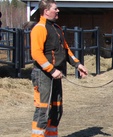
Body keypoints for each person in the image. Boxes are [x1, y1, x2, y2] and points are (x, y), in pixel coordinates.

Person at [30, 0, 88, 136]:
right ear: (46, 11)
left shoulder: (56, 28)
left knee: (56, 109)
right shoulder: (40, 28)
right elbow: (36, 53)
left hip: (56, 74)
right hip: (43, 75)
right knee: (43, 110)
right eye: (55, 9)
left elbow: (66, 50)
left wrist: (78, 65)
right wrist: (51, 70)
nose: (58, 11)